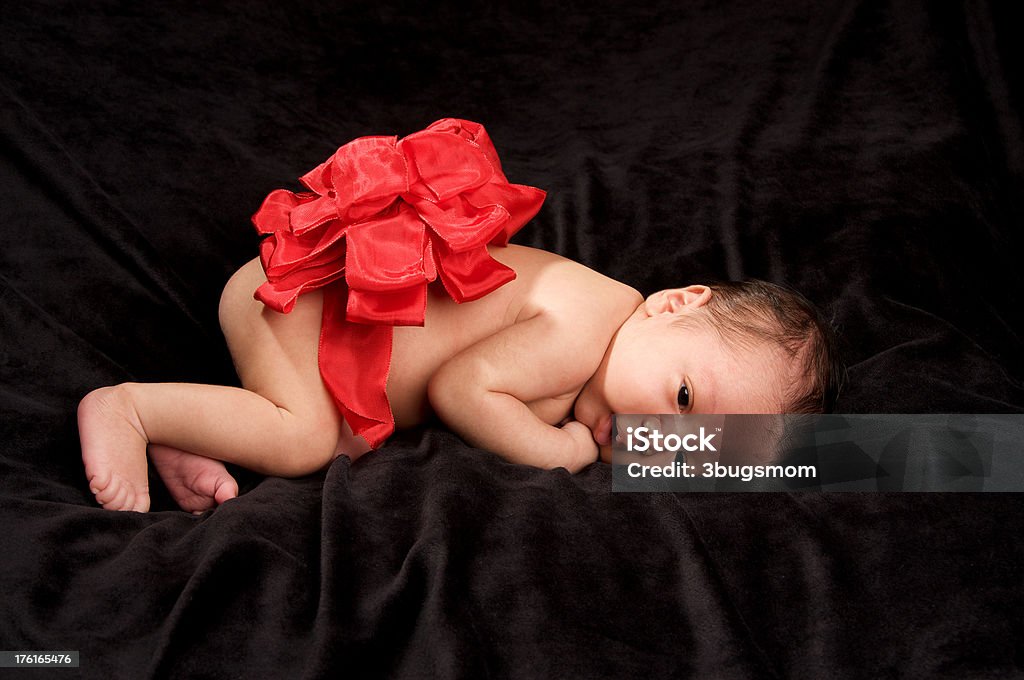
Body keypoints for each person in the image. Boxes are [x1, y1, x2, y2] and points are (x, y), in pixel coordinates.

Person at [77, 119, 842, 513]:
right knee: (306, 438)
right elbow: (463, 387)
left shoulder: (600, 359)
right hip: (307, 300)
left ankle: (189, 426)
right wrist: (558, 452)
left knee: (337, 440)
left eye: (690, 456)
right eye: (683, 403)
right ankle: (130, 410)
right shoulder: (588, 321)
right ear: (674, 305)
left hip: (336, 345)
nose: (658, 441)